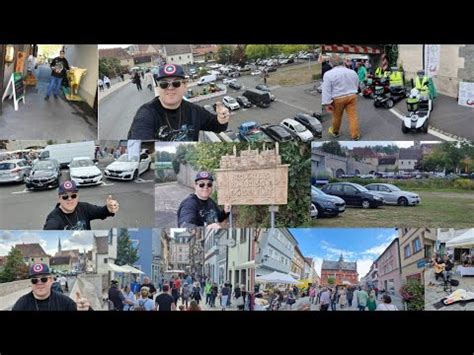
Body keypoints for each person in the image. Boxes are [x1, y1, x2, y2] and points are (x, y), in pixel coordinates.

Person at [127, 64, 230, 141]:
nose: (170, 88)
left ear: (185, 85)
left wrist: (222, 119)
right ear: (158, 87)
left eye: (176, 83)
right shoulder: (146, 113)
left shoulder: (194, 111)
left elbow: (217, 126)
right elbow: (140, 143)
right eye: (164, 84)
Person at [43, 180, 119, 230]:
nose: (70, 199)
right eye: (65, 196)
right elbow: (49, 230)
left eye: (73, 196)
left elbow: (101, 211)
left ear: (77, 197)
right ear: (59, 199)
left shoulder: (84, 208)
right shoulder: (54, 218)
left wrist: (109, 209)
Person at [12, 263, 90, 311]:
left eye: (44, 279)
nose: (39, 283)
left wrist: (86, 309)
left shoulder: (64, 301)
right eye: (34, 280)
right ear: (31, 283)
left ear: (51, 280)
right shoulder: (22, 304)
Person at [321, 54, 361, 140]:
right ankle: (355, 135)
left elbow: (326, 90)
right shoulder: (352, 72)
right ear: (342, 62)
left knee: (337, 116)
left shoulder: (328, 74)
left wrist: (327, 103)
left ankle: (335, 132)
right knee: (352, 115)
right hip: (352, 96)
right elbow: (357, 83)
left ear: (331, 63)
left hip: (338, 98)